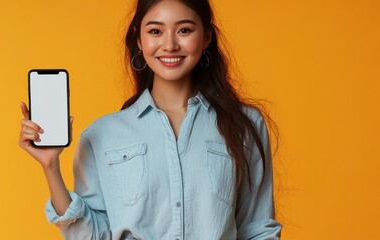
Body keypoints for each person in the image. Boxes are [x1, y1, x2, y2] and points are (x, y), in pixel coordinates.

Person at [19, 0, 282, 239]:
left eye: (184, 30)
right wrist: (51, 166)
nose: (169, 44)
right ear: (138, 39)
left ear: (206, 38)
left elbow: (258, 229)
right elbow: (94, 235)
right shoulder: (101, 134)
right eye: (155, 31)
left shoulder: (244, 125)